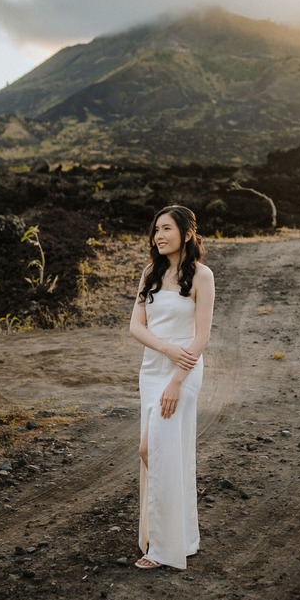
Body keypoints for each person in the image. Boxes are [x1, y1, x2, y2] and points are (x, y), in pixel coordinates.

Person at [128, 205, 215, 570]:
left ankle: (163, 549)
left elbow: (202, 336)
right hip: (152, 370)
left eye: (166, 229)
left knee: (155, 449)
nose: (159, 236)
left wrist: (177, 380)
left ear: (186, 233)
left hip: (185, 371)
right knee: (160, 452)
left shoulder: (202, 276)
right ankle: (181, 537)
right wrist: (165, 350)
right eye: (156, 230)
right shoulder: (150, 272)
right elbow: (136, 326)